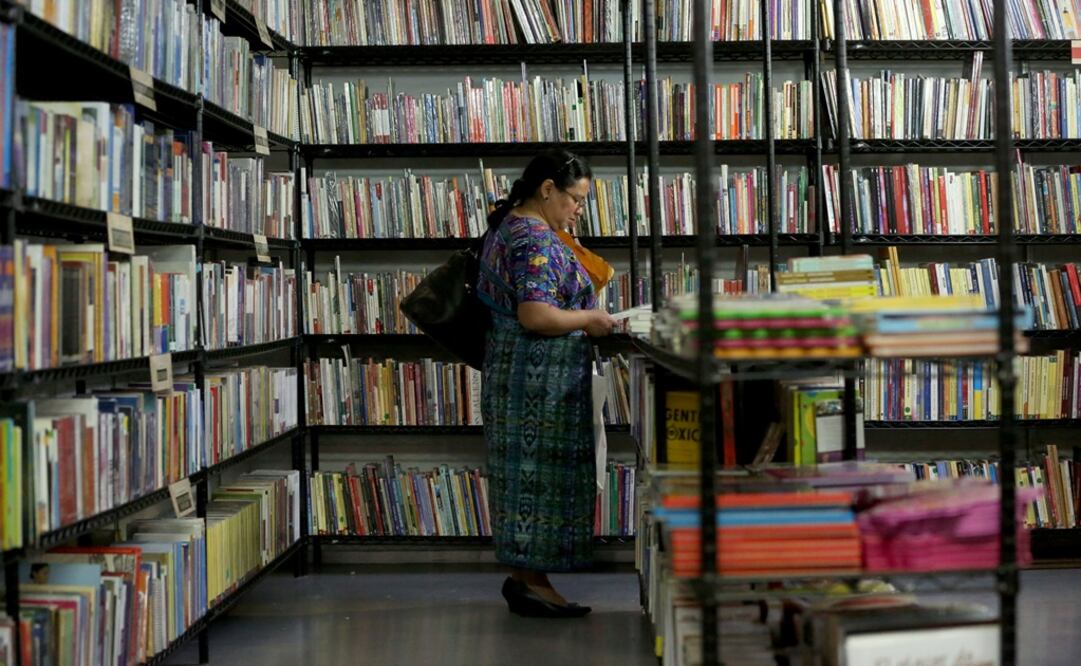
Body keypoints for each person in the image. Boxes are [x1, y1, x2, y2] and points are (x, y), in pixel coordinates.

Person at [477, 149, 617, 618]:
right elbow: (535, 313)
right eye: (575, 199)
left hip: (517, 375)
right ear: (547, 190)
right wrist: (591, 318)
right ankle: (533, 583)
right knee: (534, 483)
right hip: (535, 385)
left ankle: (526, 580)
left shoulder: (511, 224)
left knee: (521, 483)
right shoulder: (533, 236)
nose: (578, 210)